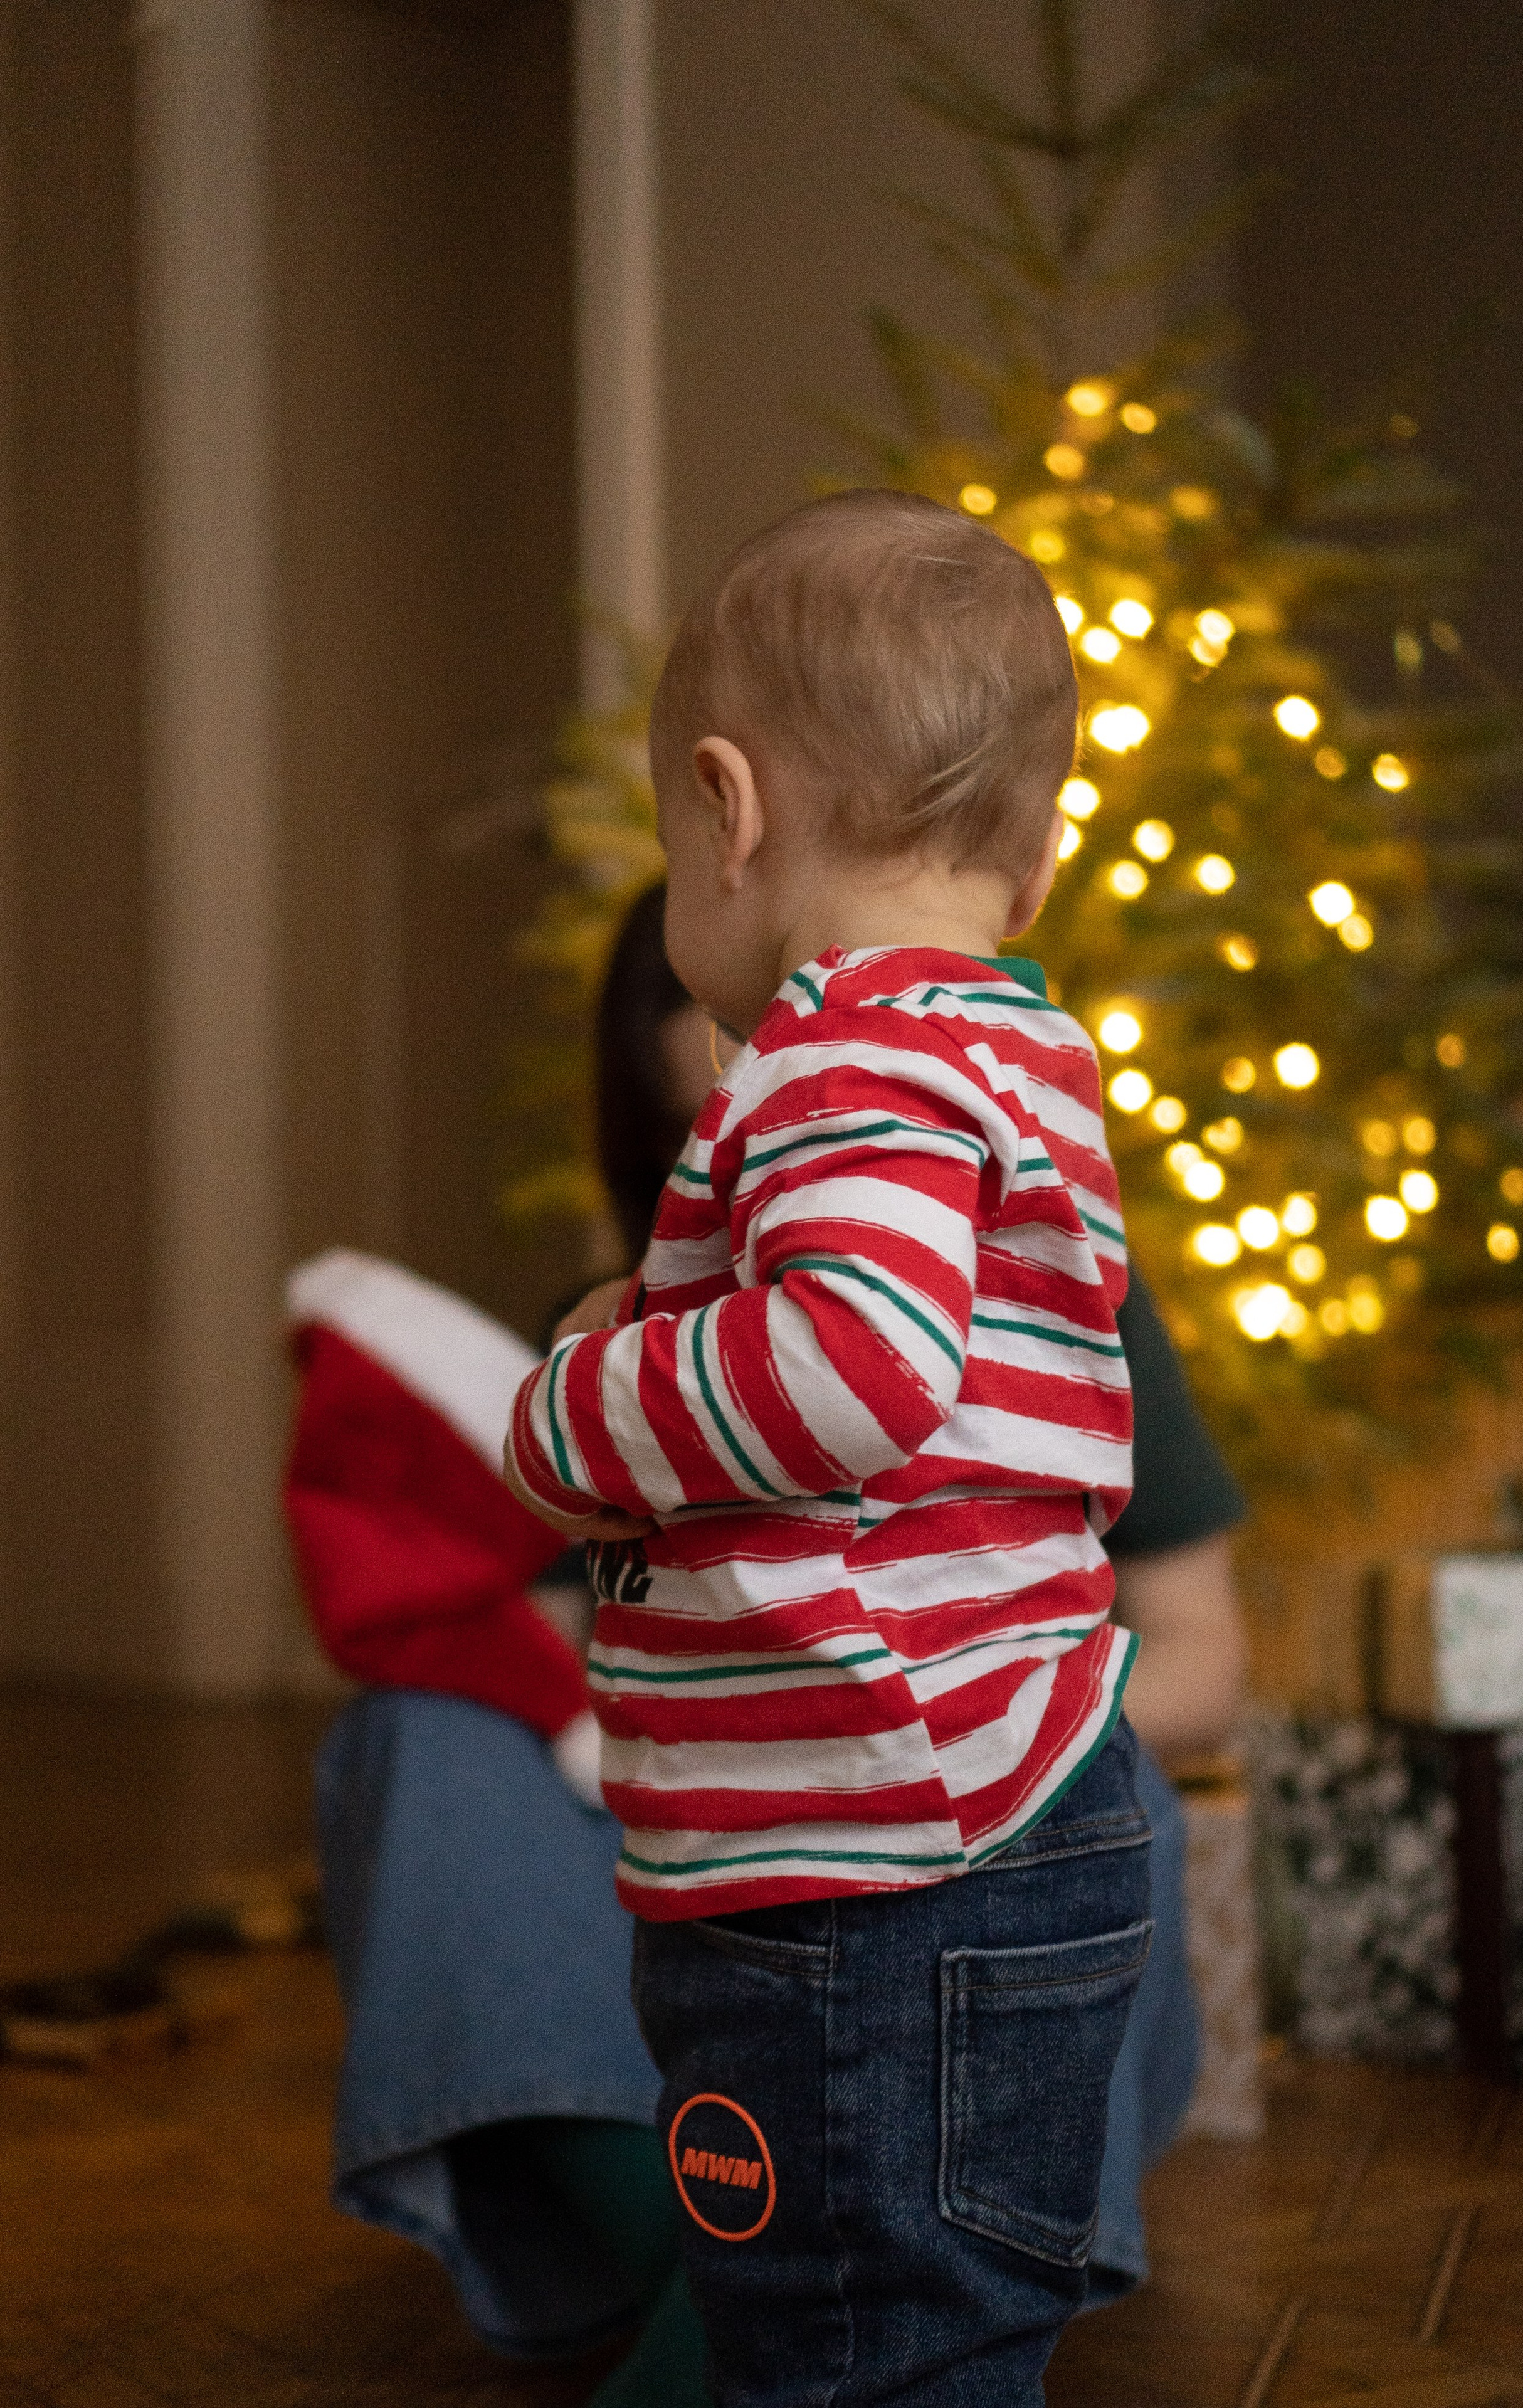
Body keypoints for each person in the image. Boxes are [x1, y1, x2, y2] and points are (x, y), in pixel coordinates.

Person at [303, 874, 1241, 2401]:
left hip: (959, 1878)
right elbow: (554, 1640)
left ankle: (804, 2277)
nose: (795, 1028)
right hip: (690, 1906)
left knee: (1087, 1775)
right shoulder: (618, 1330)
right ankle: (744, 2258)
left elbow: (1205, 1651)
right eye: (734, 1011)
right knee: (410, 1737)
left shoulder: (1053, 1282)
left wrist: (935, 1716)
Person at [503, 490, 1236, 2407]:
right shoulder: (1015, 1053)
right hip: (984, 1840)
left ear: (728, 812)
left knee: (848, 2352)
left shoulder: (844, 1064)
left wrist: (579, 1397)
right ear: (1042, 860)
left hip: (876, 1891)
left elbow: (857, 1367)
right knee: (928, 2336)